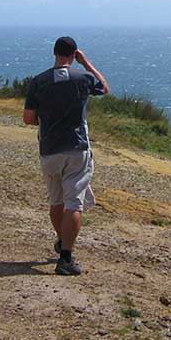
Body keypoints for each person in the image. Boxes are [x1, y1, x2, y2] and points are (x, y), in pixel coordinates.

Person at [22, 36, 109, 275]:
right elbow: (104, 87)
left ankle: (63, 241)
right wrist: (87, 63)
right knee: (74, 204)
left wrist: (47, 120)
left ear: (54, 53)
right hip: (76, 147)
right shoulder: (82, 79)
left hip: (49, 149)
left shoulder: (38, 81)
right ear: (73, 55)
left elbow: (28, 118)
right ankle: (66, 258)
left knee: (56, 201)